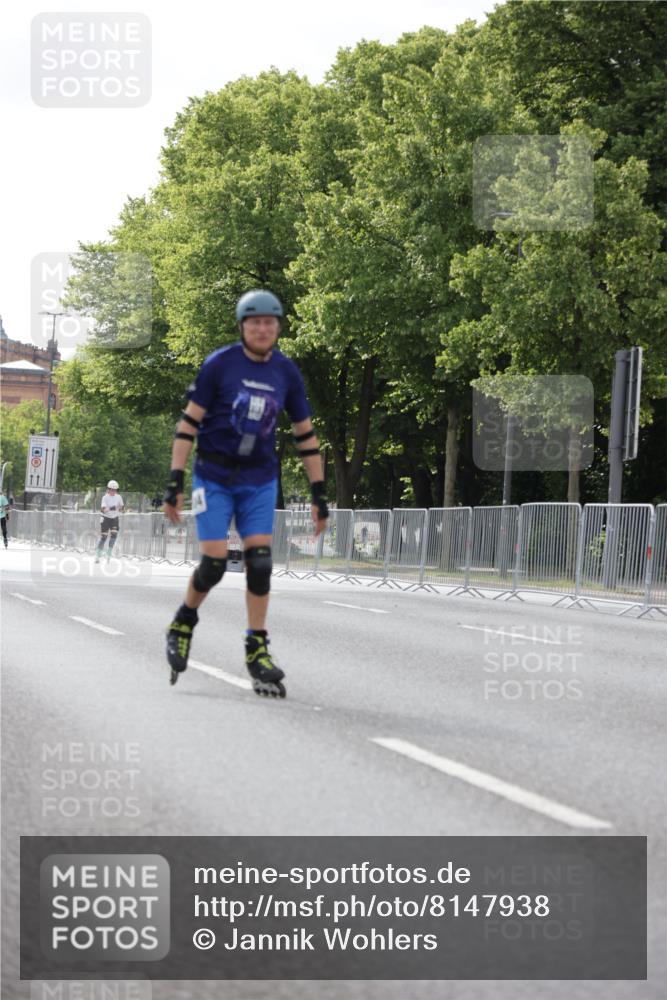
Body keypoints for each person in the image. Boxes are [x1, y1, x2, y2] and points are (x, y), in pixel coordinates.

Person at [163, 289, 329, 697]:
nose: (262, 329)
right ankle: (184, 620)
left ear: (277, 328)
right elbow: (188, 425)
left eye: (269, 322)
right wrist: (175, 482)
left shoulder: (287, 373)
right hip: (214, 476)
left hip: (259, 479)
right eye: (254, 322)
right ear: (242, 327)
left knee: (260, 563)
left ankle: (257, 648)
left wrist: (319, 493)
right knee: (216, 564)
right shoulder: (219, 364)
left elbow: (305, 435)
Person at [95, 480, 124, 562]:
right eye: (112, 490)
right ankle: (98, 554)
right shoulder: (105, 497)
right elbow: (104, 510)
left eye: (115, 490)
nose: (113, 491)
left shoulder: (119, 497)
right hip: (105, 518)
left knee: (114, 535)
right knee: (104, 537)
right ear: (108, 489)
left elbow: (121, 508)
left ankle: (109, 553)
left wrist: (116, 508)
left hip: (114, 518)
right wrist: (114, 507)